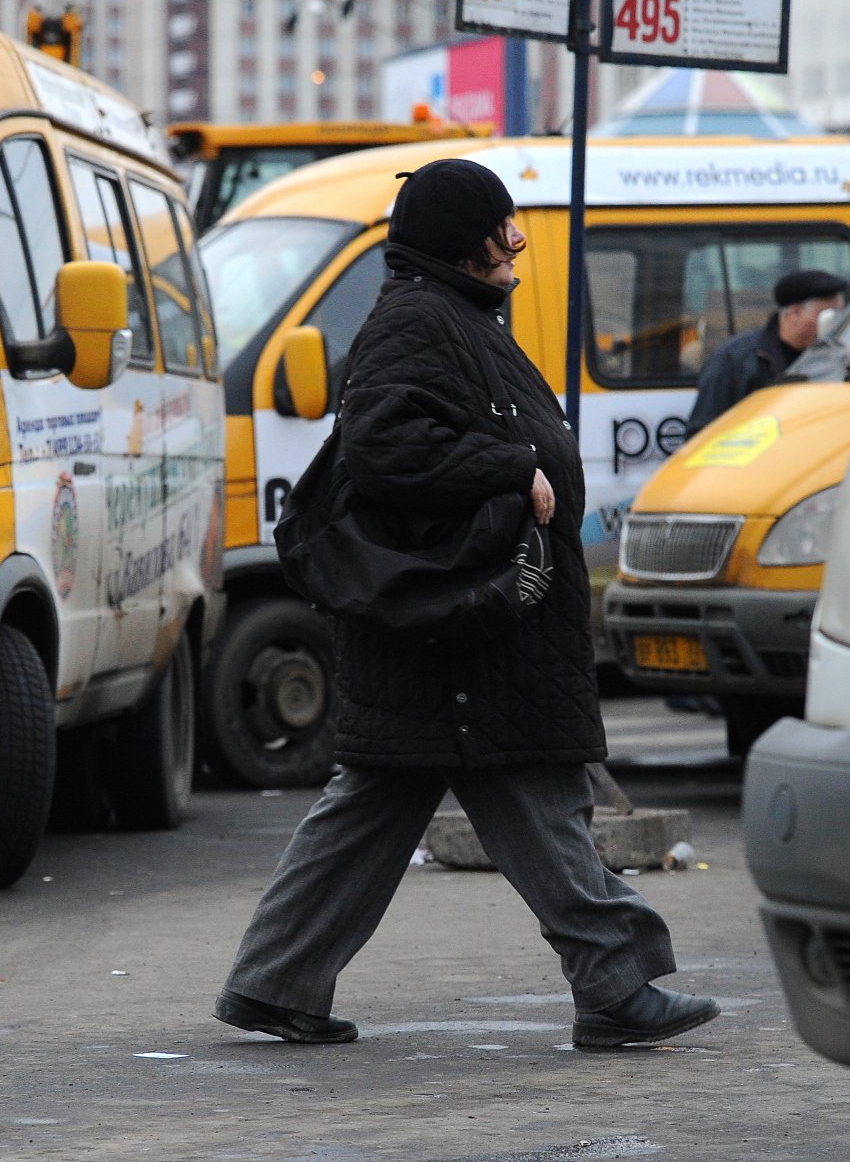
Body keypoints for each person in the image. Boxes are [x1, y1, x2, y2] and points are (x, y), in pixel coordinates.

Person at [213, 159, 719, 1050]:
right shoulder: (419, 320)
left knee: (379, 806)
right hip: (465, 641)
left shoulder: (448, 315)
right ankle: (615, 981)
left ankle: (276, 980)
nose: (515, 244)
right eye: (501, 229)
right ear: (463, 242)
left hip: (456, 637)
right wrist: (510, 466)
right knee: (536, 797)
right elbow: (386, 447)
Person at [685, 268, 848, 435]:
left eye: (840, 317)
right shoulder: (735, 359)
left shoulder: (838, 359)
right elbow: (701, 433)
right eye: (828, 318)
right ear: (796, 313)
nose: (834, 326)